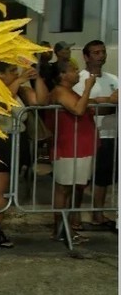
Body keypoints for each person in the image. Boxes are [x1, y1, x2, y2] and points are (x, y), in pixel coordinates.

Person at [0, 62, 49, 248]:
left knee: (2, 189)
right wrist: (20, 80)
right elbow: (3, 103)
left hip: (13, 145)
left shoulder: (21, 89)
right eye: (12, 71)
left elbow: (41, 101)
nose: (17, 74)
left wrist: (36, 77)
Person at [49, 60, 98, 242]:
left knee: (73, 189)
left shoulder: (70, 92)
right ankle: (61, 230)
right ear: (62, 75)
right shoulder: (60, 91)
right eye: (73, 70)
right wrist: (88, 89)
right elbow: (78, 110)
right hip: (68, 148)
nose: (78, 73)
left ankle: (66, 228)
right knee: (64, 189)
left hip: (79, 147)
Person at [72, 40, 118, 230]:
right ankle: (74, 216)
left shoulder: (113, 78)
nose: (101, 56)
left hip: (110, 133)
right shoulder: (79, 79)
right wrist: (107, 102)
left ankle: (97, 214)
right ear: (86, 56)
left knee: (103, 178)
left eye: (103, 52)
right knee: (81, 180)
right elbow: (81, 106)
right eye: (96, 52)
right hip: (89, 134)